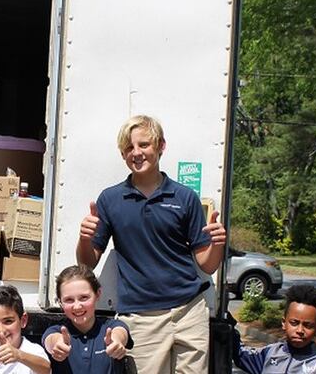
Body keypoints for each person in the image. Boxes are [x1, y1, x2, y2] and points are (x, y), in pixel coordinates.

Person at [76, 114, 227, 373]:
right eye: (129, 148)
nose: (136, 153)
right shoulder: (110, 199)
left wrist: (218, 243)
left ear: (160, 146)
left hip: (189, 311)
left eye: (144, 145)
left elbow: (207, 264)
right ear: (123, 154)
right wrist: (84, 237)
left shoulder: (184, 197)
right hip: (141, 317)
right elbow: (87, 262)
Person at [232, 285, 316, 373]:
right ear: (284, 323)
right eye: (294, 323)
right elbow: (238, 352)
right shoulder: (268, 354)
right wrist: (227, 326)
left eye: (308, 325)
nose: (300, 330)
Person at [42, 265, 132, 373]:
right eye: (69, 300)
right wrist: (57, 345)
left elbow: (120, 333)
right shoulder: (55, 330)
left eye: (84, 298)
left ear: (97, 294)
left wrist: (117, 342)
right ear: (60, 302)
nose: (77, 306)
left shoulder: (111, 326)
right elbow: (51, 340)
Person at [0, 285, 50, 374]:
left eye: (8, 321)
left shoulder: (33, 351)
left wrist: (19, 355)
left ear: (23, 320)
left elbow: (46, 368)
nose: (1, 330)